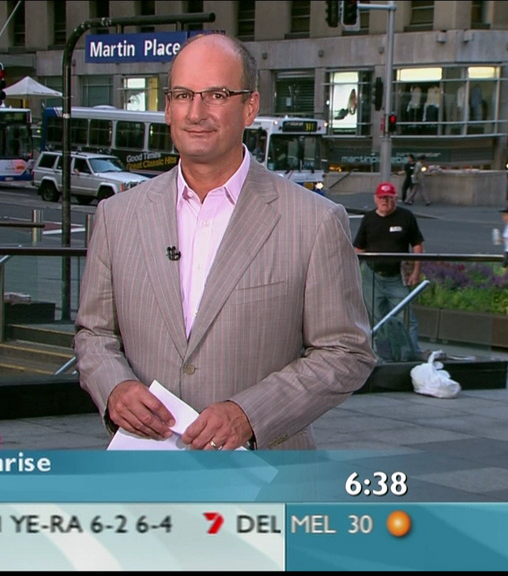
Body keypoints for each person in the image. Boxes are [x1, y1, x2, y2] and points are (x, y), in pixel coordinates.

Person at [73, 33, 376, 452]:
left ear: (250, 107)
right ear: (167, 108)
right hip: (145, 470)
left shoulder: (314, 221)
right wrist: (114, 387)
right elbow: (93, 333)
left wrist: (250, 414)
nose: (196, 113)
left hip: (265, 474)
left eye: (216, 95)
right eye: (183, 95)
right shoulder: (117, 216)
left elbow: (346, 351)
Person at [353, 182, 426, 362]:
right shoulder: (369, 219)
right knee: (377, 318)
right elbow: (358, 248)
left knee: (405, 317)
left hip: (397, 277)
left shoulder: (406, 217)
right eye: (381, 198)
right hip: (372, 277)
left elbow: (417, 245)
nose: (385, 201)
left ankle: (410, 355)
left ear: (395, 199)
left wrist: (416, 272)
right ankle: (384, 355)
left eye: (389, 198)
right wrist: (352, 274)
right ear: (375, 199)